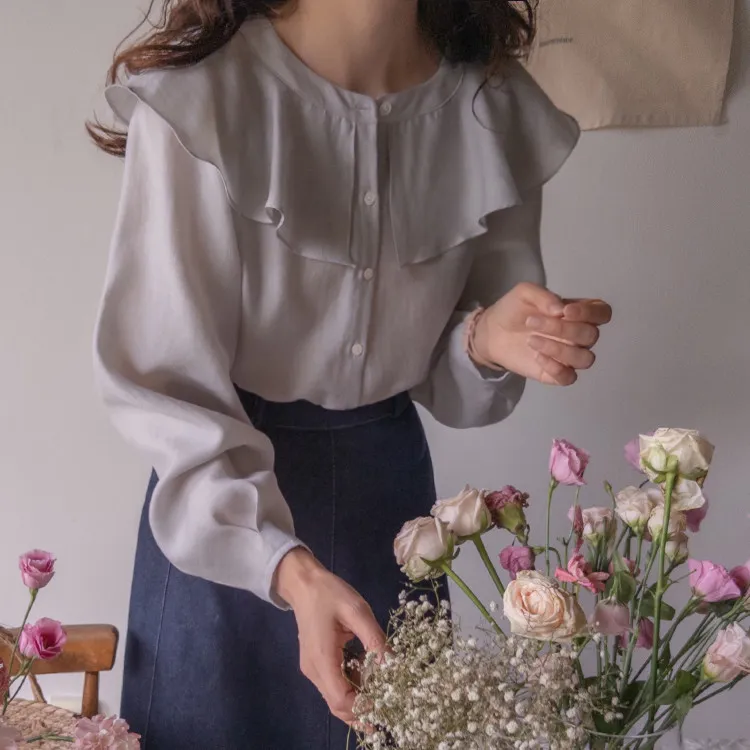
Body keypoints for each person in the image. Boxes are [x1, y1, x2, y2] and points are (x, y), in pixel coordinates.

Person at [91, 1, 612, 747]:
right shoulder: (201, 105)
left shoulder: (491, 108)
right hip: (223, 529)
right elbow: (166, 390)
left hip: (390, 508)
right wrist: (289, 569)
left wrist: (484, 341)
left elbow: (447, 371)